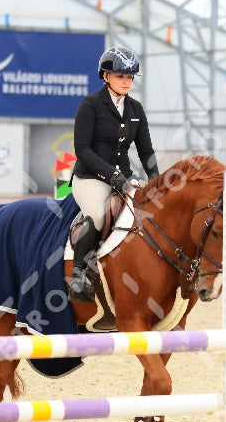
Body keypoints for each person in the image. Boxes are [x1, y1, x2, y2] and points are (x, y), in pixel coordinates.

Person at [67, 46, 159, 302]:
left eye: (130, 77)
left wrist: (156, 179)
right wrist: (111, 175)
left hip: (124, 179)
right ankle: (78, 276)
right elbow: (82, 149)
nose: (126, 82)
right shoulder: (90, 105)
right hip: (91, 179)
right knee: (97, 216)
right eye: (121, 76)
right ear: (106, 76)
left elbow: (146, 149)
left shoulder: (136, 110)